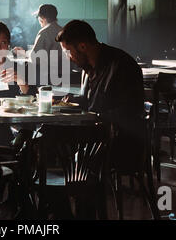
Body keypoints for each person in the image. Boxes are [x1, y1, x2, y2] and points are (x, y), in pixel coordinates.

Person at [54, 20, 146, 169]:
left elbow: (132, 109)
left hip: (120, 143)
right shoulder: (89, 67)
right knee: (46, 137)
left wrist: (97, 117)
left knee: (53, 141)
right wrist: (74, 101)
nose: (68, 57)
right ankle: (64, 186)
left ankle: (71, 187)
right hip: (96, 136)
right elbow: (93, 102)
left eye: (67, 51)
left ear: (82, 46)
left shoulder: (122, 65)